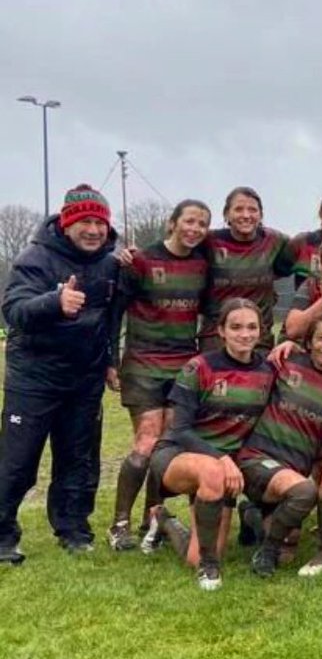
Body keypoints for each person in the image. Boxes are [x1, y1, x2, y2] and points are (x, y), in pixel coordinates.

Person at [0, 185, 121, 563]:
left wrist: (111, 360)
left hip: (84, 379)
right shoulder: (34, 259)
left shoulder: (111, 264)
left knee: (79, 460)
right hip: (34, 378)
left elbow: (111, 319)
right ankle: (2, 536)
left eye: (100, 223)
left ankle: (73, 529)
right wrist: (55, 302)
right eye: (85, 222)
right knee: (18, 462)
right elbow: (13, 310)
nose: (94, 230)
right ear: (67, 224)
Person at [145, 299, 275, 590]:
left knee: (194, 553)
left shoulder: (268, 370)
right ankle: (209, 567)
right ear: (221, 331)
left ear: (261, 331)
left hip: (222, 470)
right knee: (212, 472)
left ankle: (164, 520)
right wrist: (222, 459)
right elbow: (180, 429)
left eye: (252, 327)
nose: (245, 334)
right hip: (178, 454)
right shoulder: (199, 367)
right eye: (236, 327)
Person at [108, 199, 212, 552]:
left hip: (183, 363)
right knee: (147, 440)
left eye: (202, 224)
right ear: (173, 223)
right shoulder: (141, 260)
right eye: (189, 221)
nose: (195, 229)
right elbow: (115, 313)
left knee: (167, 444)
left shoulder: (202, 265)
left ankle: (151, 519)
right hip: (143, 362)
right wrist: (111, 360)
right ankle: (119, 524)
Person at [236, 313, 322, 577]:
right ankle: (267, 552)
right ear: (309, 342)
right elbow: (249, 373)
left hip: (292, 472)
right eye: (321, 338)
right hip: (257, 458)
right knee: (305, 492)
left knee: (290, 540)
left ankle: (252, 515)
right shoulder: (286, 361)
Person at [199, 186, 296, 352]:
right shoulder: (208, 241)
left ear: (261, 215)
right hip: (216, 340)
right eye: (238, 209)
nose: (246, 215)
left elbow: (310, 253)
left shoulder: (275, 241)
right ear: (226, 214)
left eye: (252, 210)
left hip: (258, 341)